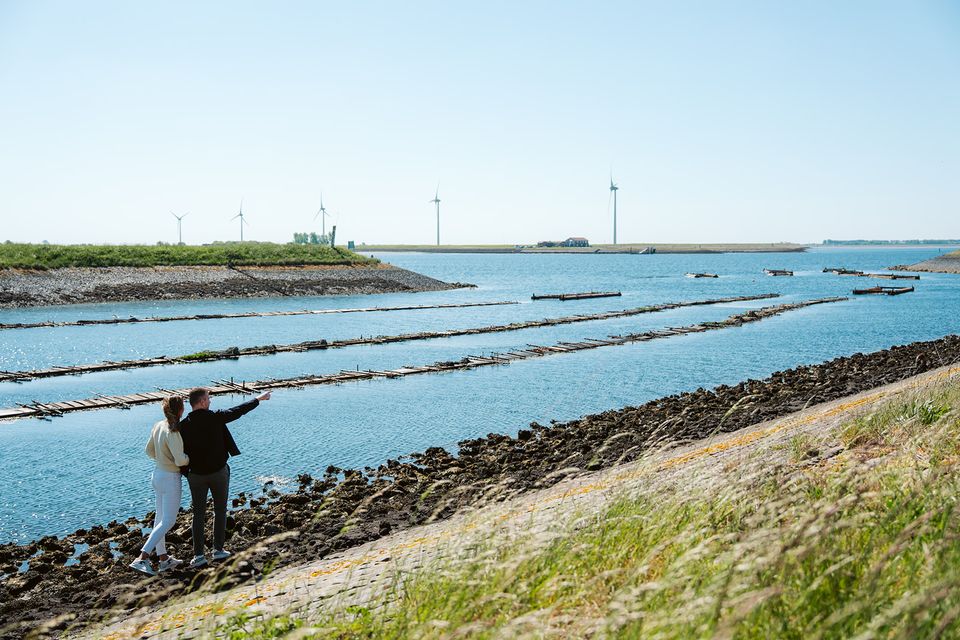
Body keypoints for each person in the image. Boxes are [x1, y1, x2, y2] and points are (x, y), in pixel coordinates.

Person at [179, 387, 271, 568]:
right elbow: (238, 411)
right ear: (202, 402)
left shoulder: (183, 425)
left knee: (198, 514)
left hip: (196, 475)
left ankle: (198, 556)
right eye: (208, 398)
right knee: (219, 511)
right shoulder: (215, 417)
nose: (210, 401)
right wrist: (258, 399)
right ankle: (218, 550)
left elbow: (177, 452)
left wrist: (185, 472)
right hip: (218, 472)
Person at [129, 395, 189, 576]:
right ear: (181, 411)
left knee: (160, 518)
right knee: (169, 521)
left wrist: (162, 460)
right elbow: (181, 460)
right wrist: (189, 458)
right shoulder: (174, 431)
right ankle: (142, 557)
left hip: (157, 475)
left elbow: (149, 450)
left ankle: (163, 559)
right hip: (170, 477)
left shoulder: (158, 425)